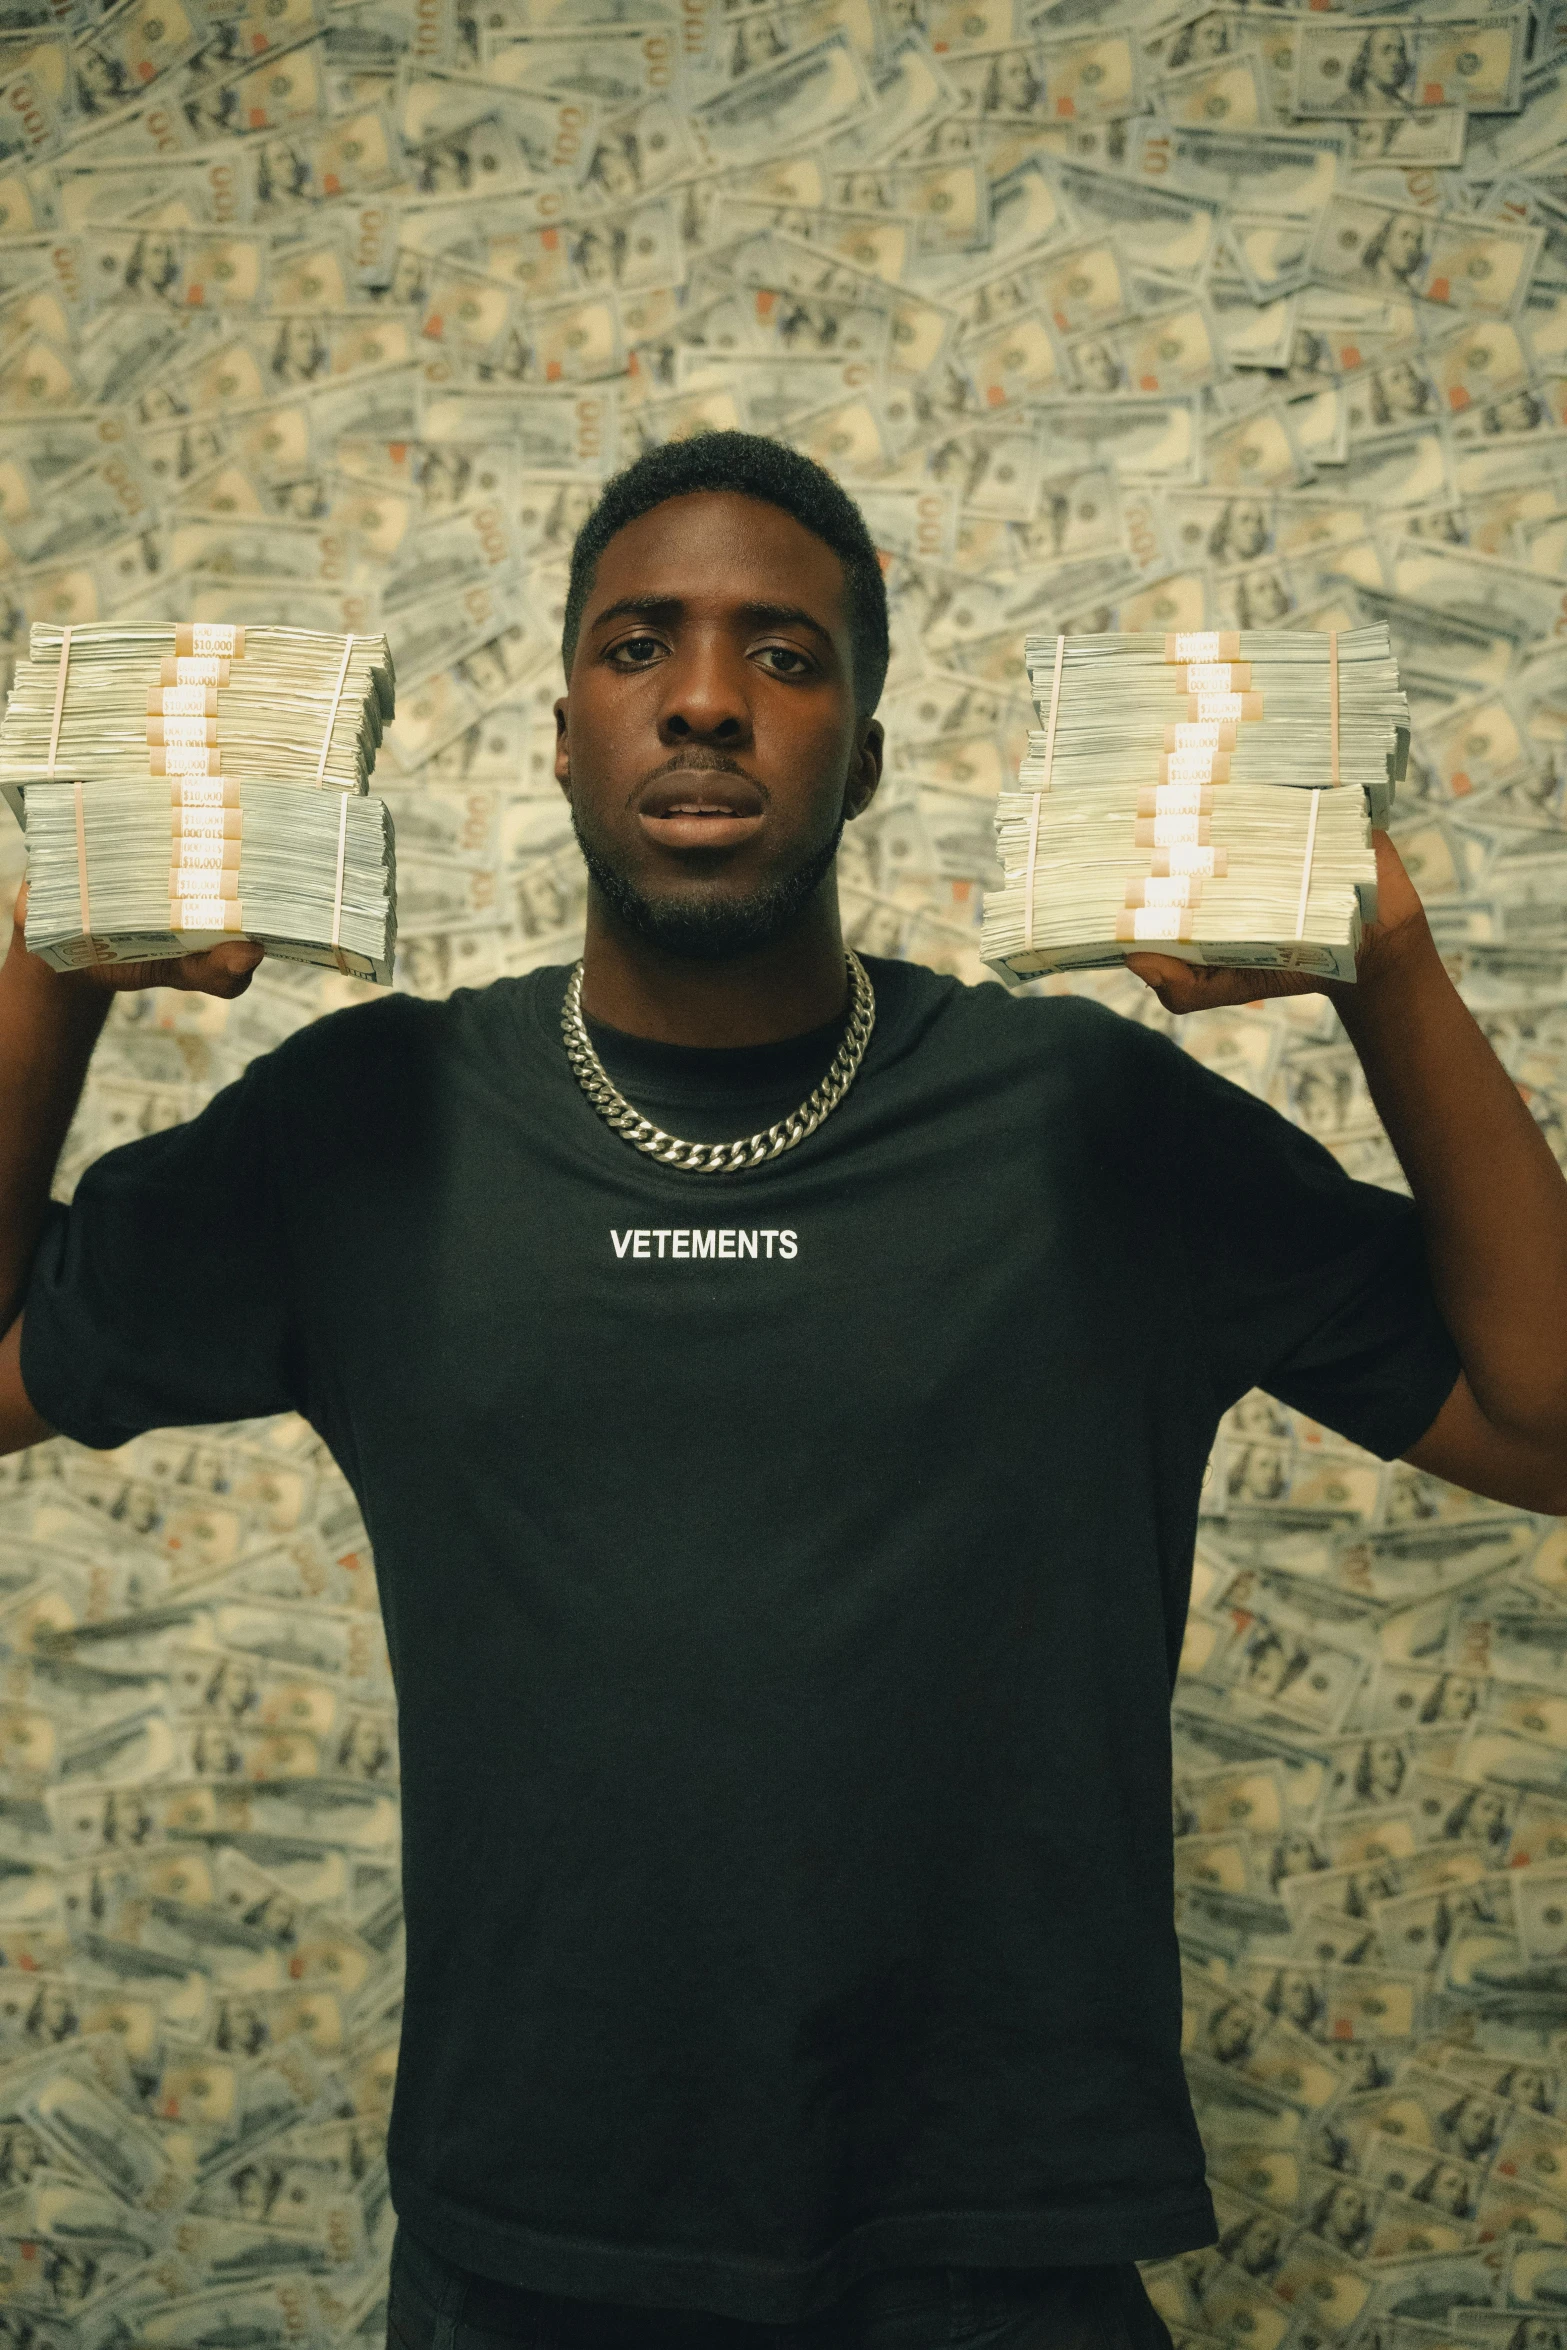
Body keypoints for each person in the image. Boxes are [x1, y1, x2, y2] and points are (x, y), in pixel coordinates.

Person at [0, 432, 1564, 2349]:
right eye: (638, 644)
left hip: (996, 2249)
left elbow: (1548, 1420)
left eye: (787, 657)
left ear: (866, 753)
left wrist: (1379, 954)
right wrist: (54, 957)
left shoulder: (1083, 1124)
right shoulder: (369, 1129)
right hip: (533, 2250)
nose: (711, 699)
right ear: (560, 737)